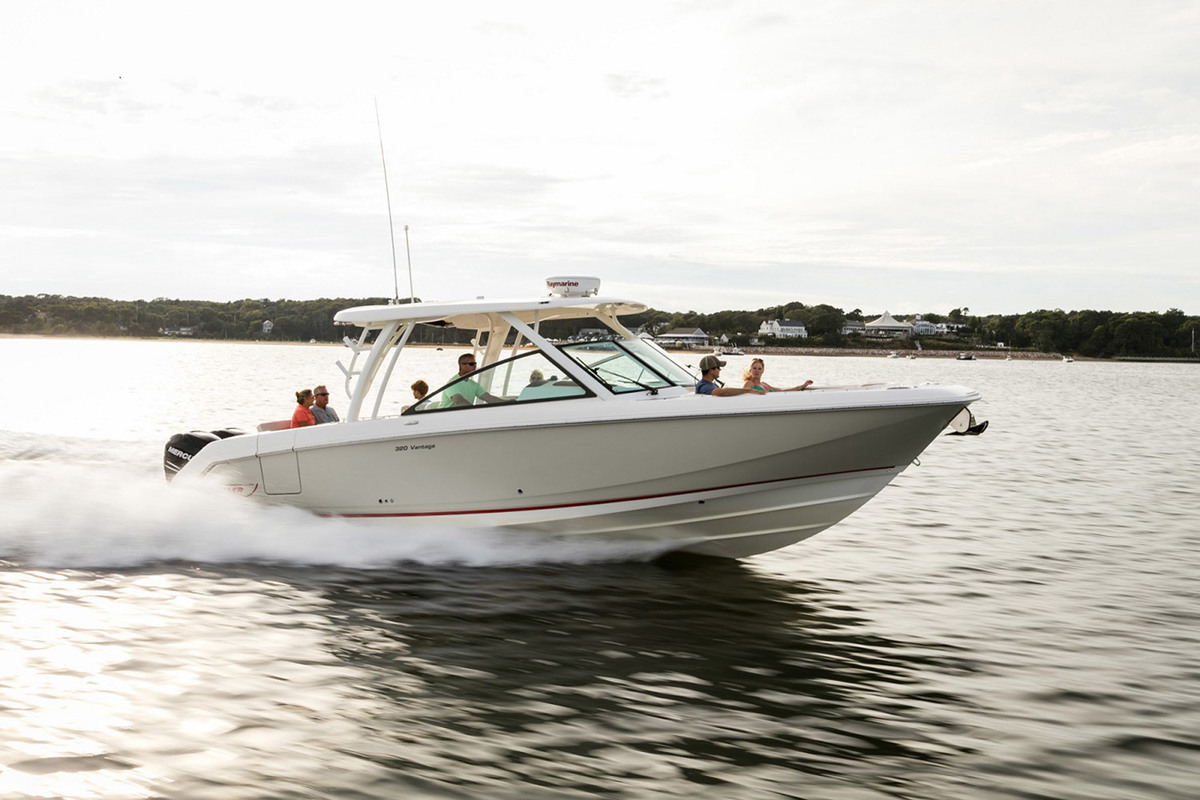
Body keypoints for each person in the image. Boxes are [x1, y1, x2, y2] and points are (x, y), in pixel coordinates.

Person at [439, 353, 506, 408]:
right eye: (471, 364)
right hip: (443, 416)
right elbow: (460, 401)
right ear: (462, 366)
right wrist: (476, 411)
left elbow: (489, 398)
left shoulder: (474, 385)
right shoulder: (452, 383)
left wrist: (508, 403)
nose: (474, 366)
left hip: (463, 415)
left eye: (475, 364)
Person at [695, 355, 762, 396]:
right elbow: (721, 392)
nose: (720, 370)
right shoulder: (703, 386)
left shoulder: (711, 385)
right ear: (711, 371)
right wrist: (747, 390)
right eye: (718, 368)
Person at [742, 358, 813, 393]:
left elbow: (782, 391)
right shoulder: (749, 383)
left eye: (759, 369)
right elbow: (742, 397)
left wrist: (802, 386)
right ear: (750, 370)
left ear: (763, 371)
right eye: (754, 368)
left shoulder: (764, 384)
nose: (756, 371)